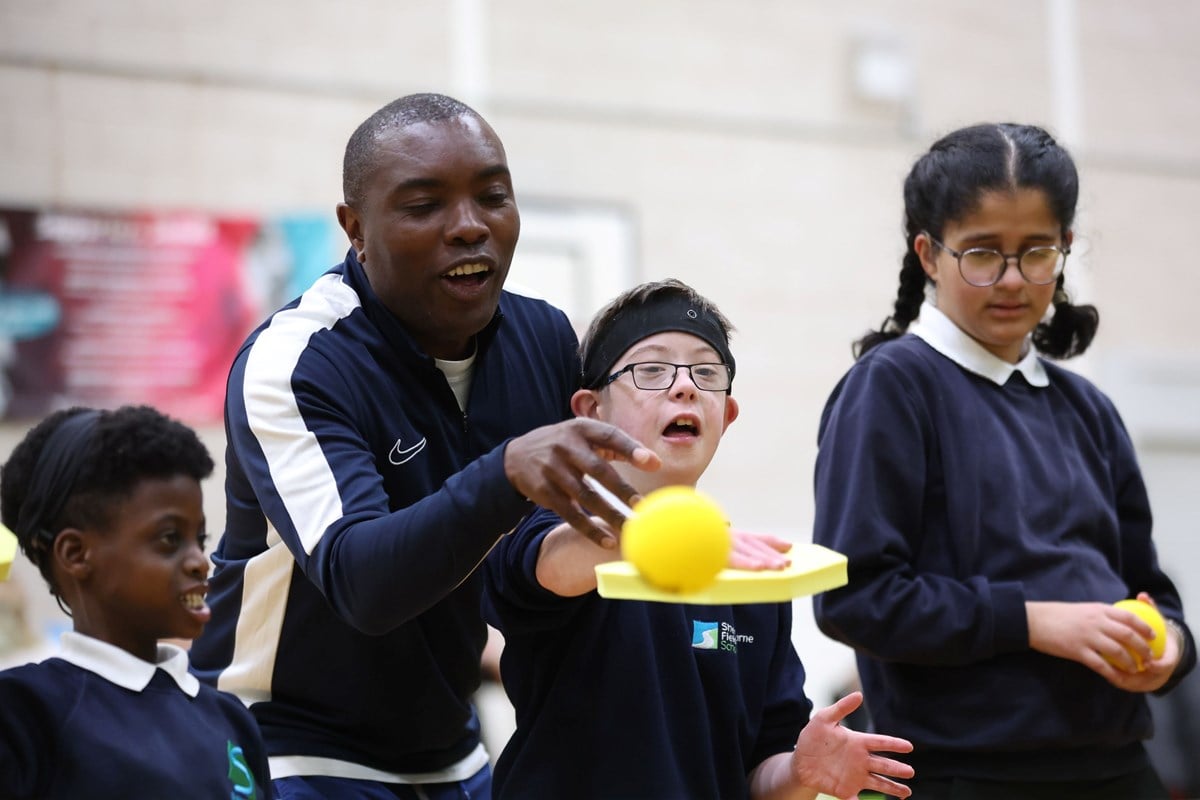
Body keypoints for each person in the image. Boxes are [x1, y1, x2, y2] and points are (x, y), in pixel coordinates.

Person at [188, 92, 658, 799]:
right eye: (423, 205)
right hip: (282, 744)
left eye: (492, 196)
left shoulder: (544, 338)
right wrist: (503, 474)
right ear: (355, 228)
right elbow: (362, 583)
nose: (469, 226)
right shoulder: (298, 362)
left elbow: (546, 551)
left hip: (451, 747)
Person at [811, 122, 1196, 800]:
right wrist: (1035, 621)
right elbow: (856, 599)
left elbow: (1154, 593)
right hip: (967, 775)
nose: (1012, 280)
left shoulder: (1089, 409)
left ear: (1066, 249)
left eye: (1037, 252)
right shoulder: (892, 387)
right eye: (983, 254)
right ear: (929, 254)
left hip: (1119, 769)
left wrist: (1169, 651)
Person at [483, 278, 915, 799]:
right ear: (590, 411)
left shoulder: (750, 573)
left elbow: (759, 769)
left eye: (706, 373)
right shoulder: (554, 523)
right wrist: (664, 534)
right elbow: (551, 570)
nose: (684, 386)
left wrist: (803, 773)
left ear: (726, 415)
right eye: (651, 370)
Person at [0, 405, 270, 799]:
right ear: (76, 555)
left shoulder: (232, 720)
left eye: (200, 539)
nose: (198, 561)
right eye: (169, 539)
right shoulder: (24, 711)